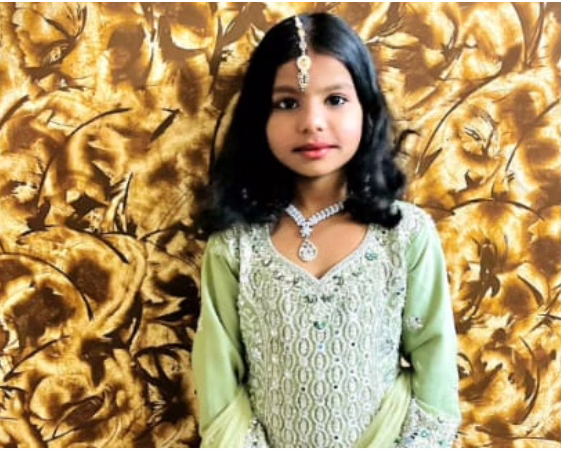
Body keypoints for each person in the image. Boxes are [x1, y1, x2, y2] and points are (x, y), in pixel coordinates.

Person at [191, 12, 460, 448]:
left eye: (335, 100)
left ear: (366, 108)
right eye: (287, 103)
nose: (312, 122)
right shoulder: (236, 246)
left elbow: (436, 368)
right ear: (259, 117)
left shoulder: (405, 235)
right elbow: (218, 382)